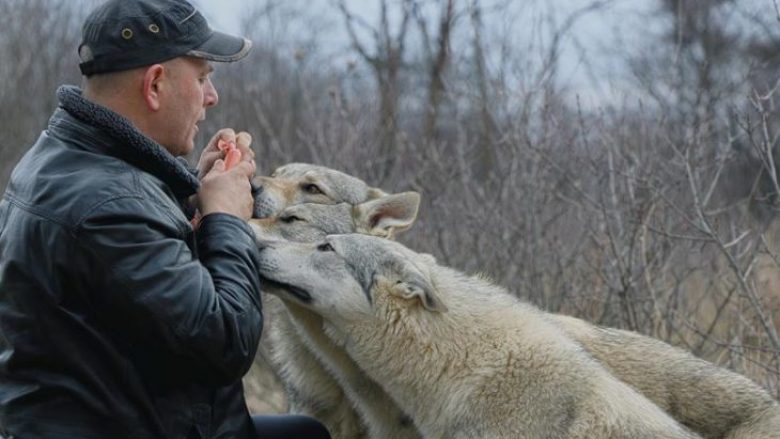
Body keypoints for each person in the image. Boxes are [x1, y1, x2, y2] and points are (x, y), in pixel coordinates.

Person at [0, 0, 330, 438]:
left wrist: (192, 193)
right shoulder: (110, 205)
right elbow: (225, 343)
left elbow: (132, 284)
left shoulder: (55, 159)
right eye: (202, 77)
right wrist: (226, 218)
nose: (211, 97)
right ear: (155, 84)